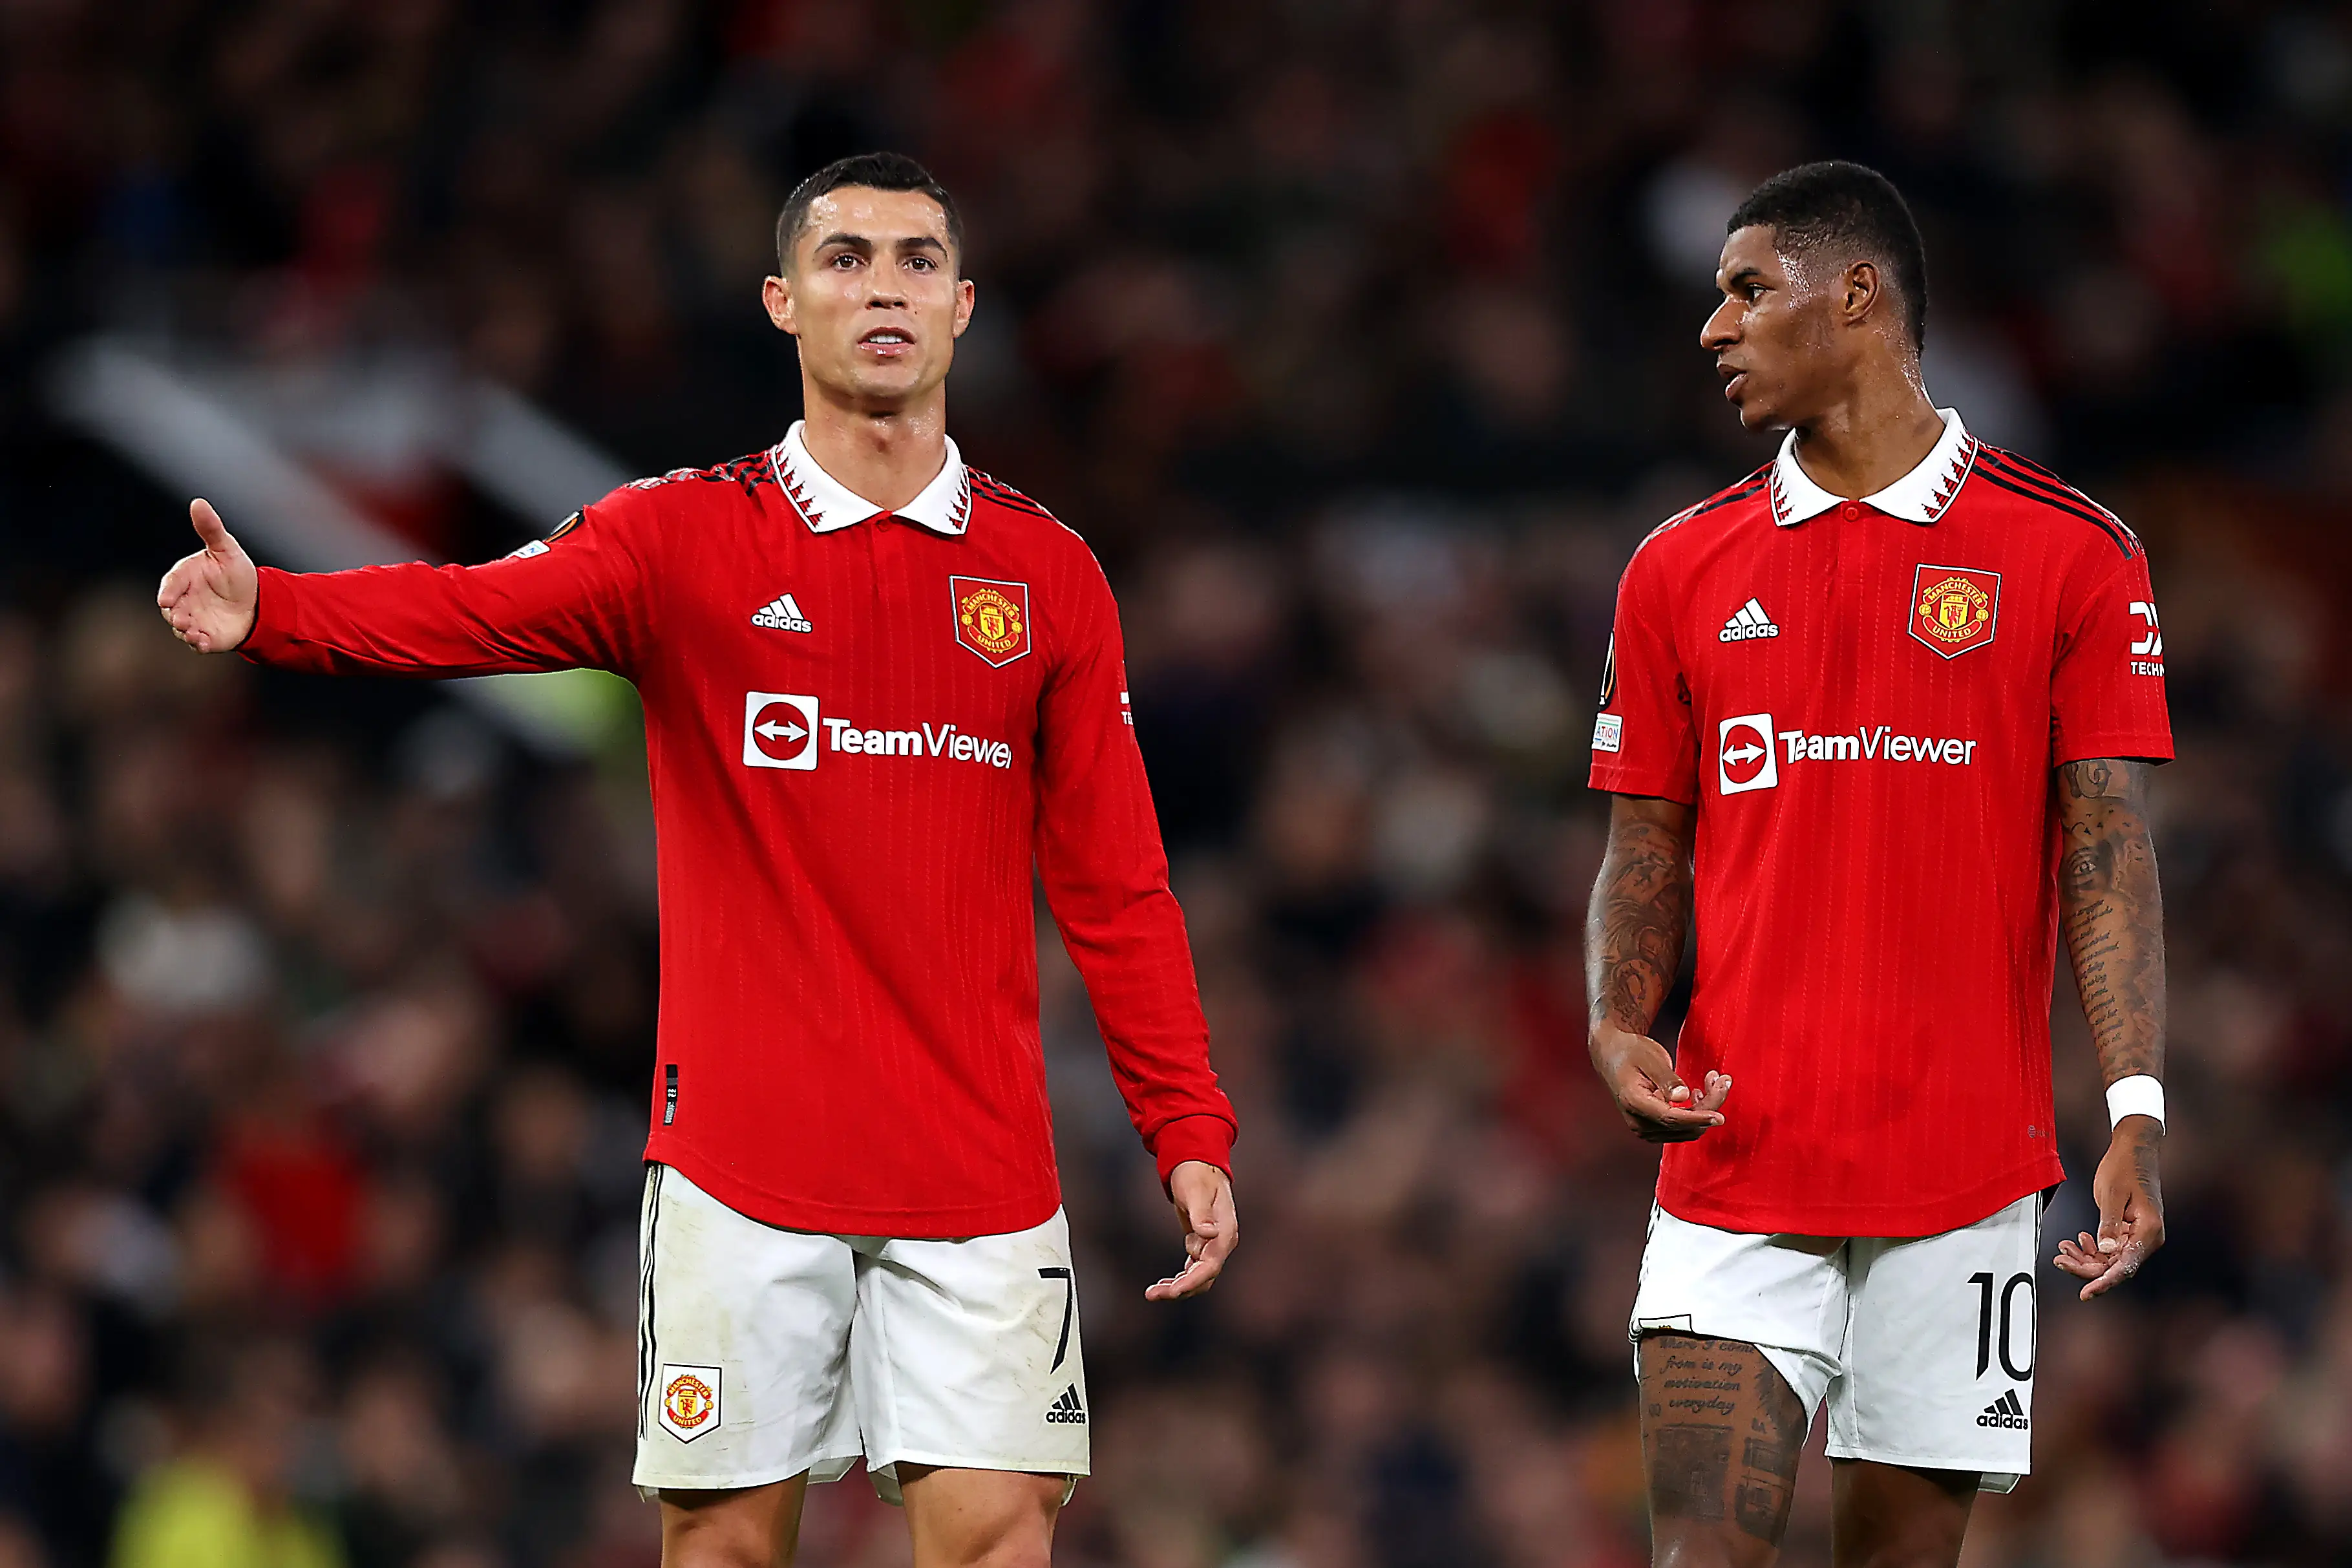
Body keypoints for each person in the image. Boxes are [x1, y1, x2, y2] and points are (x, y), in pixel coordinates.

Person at [156, 151, 1239, 1568]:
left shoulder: (1049, 579)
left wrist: (1188, 1127)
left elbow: (1118, 886)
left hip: (977, 1169)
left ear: (964, 306)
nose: (884, 287)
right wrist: (277, 609)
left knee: (996, 1541)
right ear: (785, 303)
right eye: (846, 259)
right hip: (743, 1162)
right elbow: (478, 611)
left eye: (917, 259)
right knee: (723, 1547)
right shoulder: (684, 538)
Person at [1584, 161, 2169, 1567]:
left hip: (1965, 1180)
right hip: (1736, 1160)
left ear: (1855, 295)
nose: (1714, 329)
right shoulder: (1678, 566)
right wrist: (1616, 1019)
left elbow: (2103, 844)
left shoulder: (2071, 555)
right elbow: (1641, 839)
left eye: (1744, 290)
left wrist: (2134, 1103)